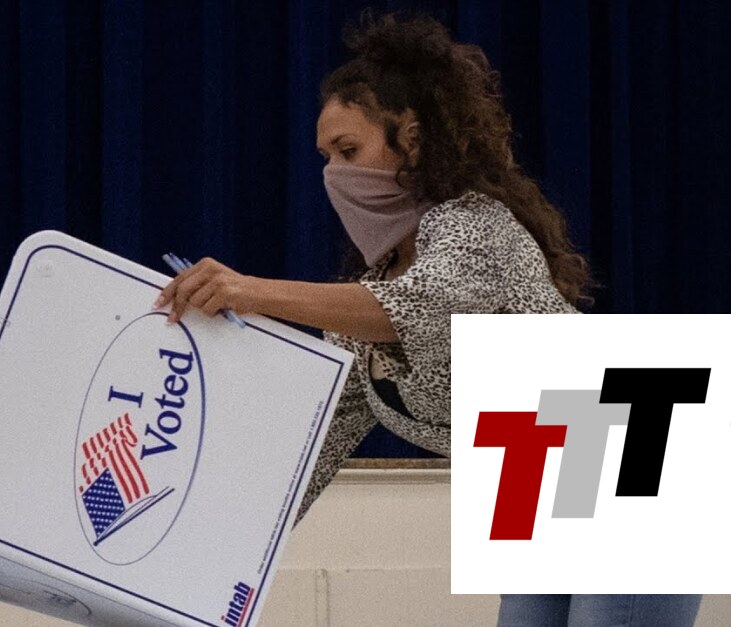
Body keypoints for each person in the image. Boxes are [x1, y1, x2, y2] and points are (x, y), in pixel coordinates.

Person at [152, 13, 701, 627]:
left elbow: (413, 306)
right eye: (326, 157)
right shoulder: (365, 302)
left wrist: (249, 291)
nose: (334, 174)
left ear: (411, 139)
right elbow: (306, 459)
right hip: (539, 478)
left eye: (349, 151)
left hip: (636, 442)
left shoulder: (478, 226)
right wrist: (180, 559)